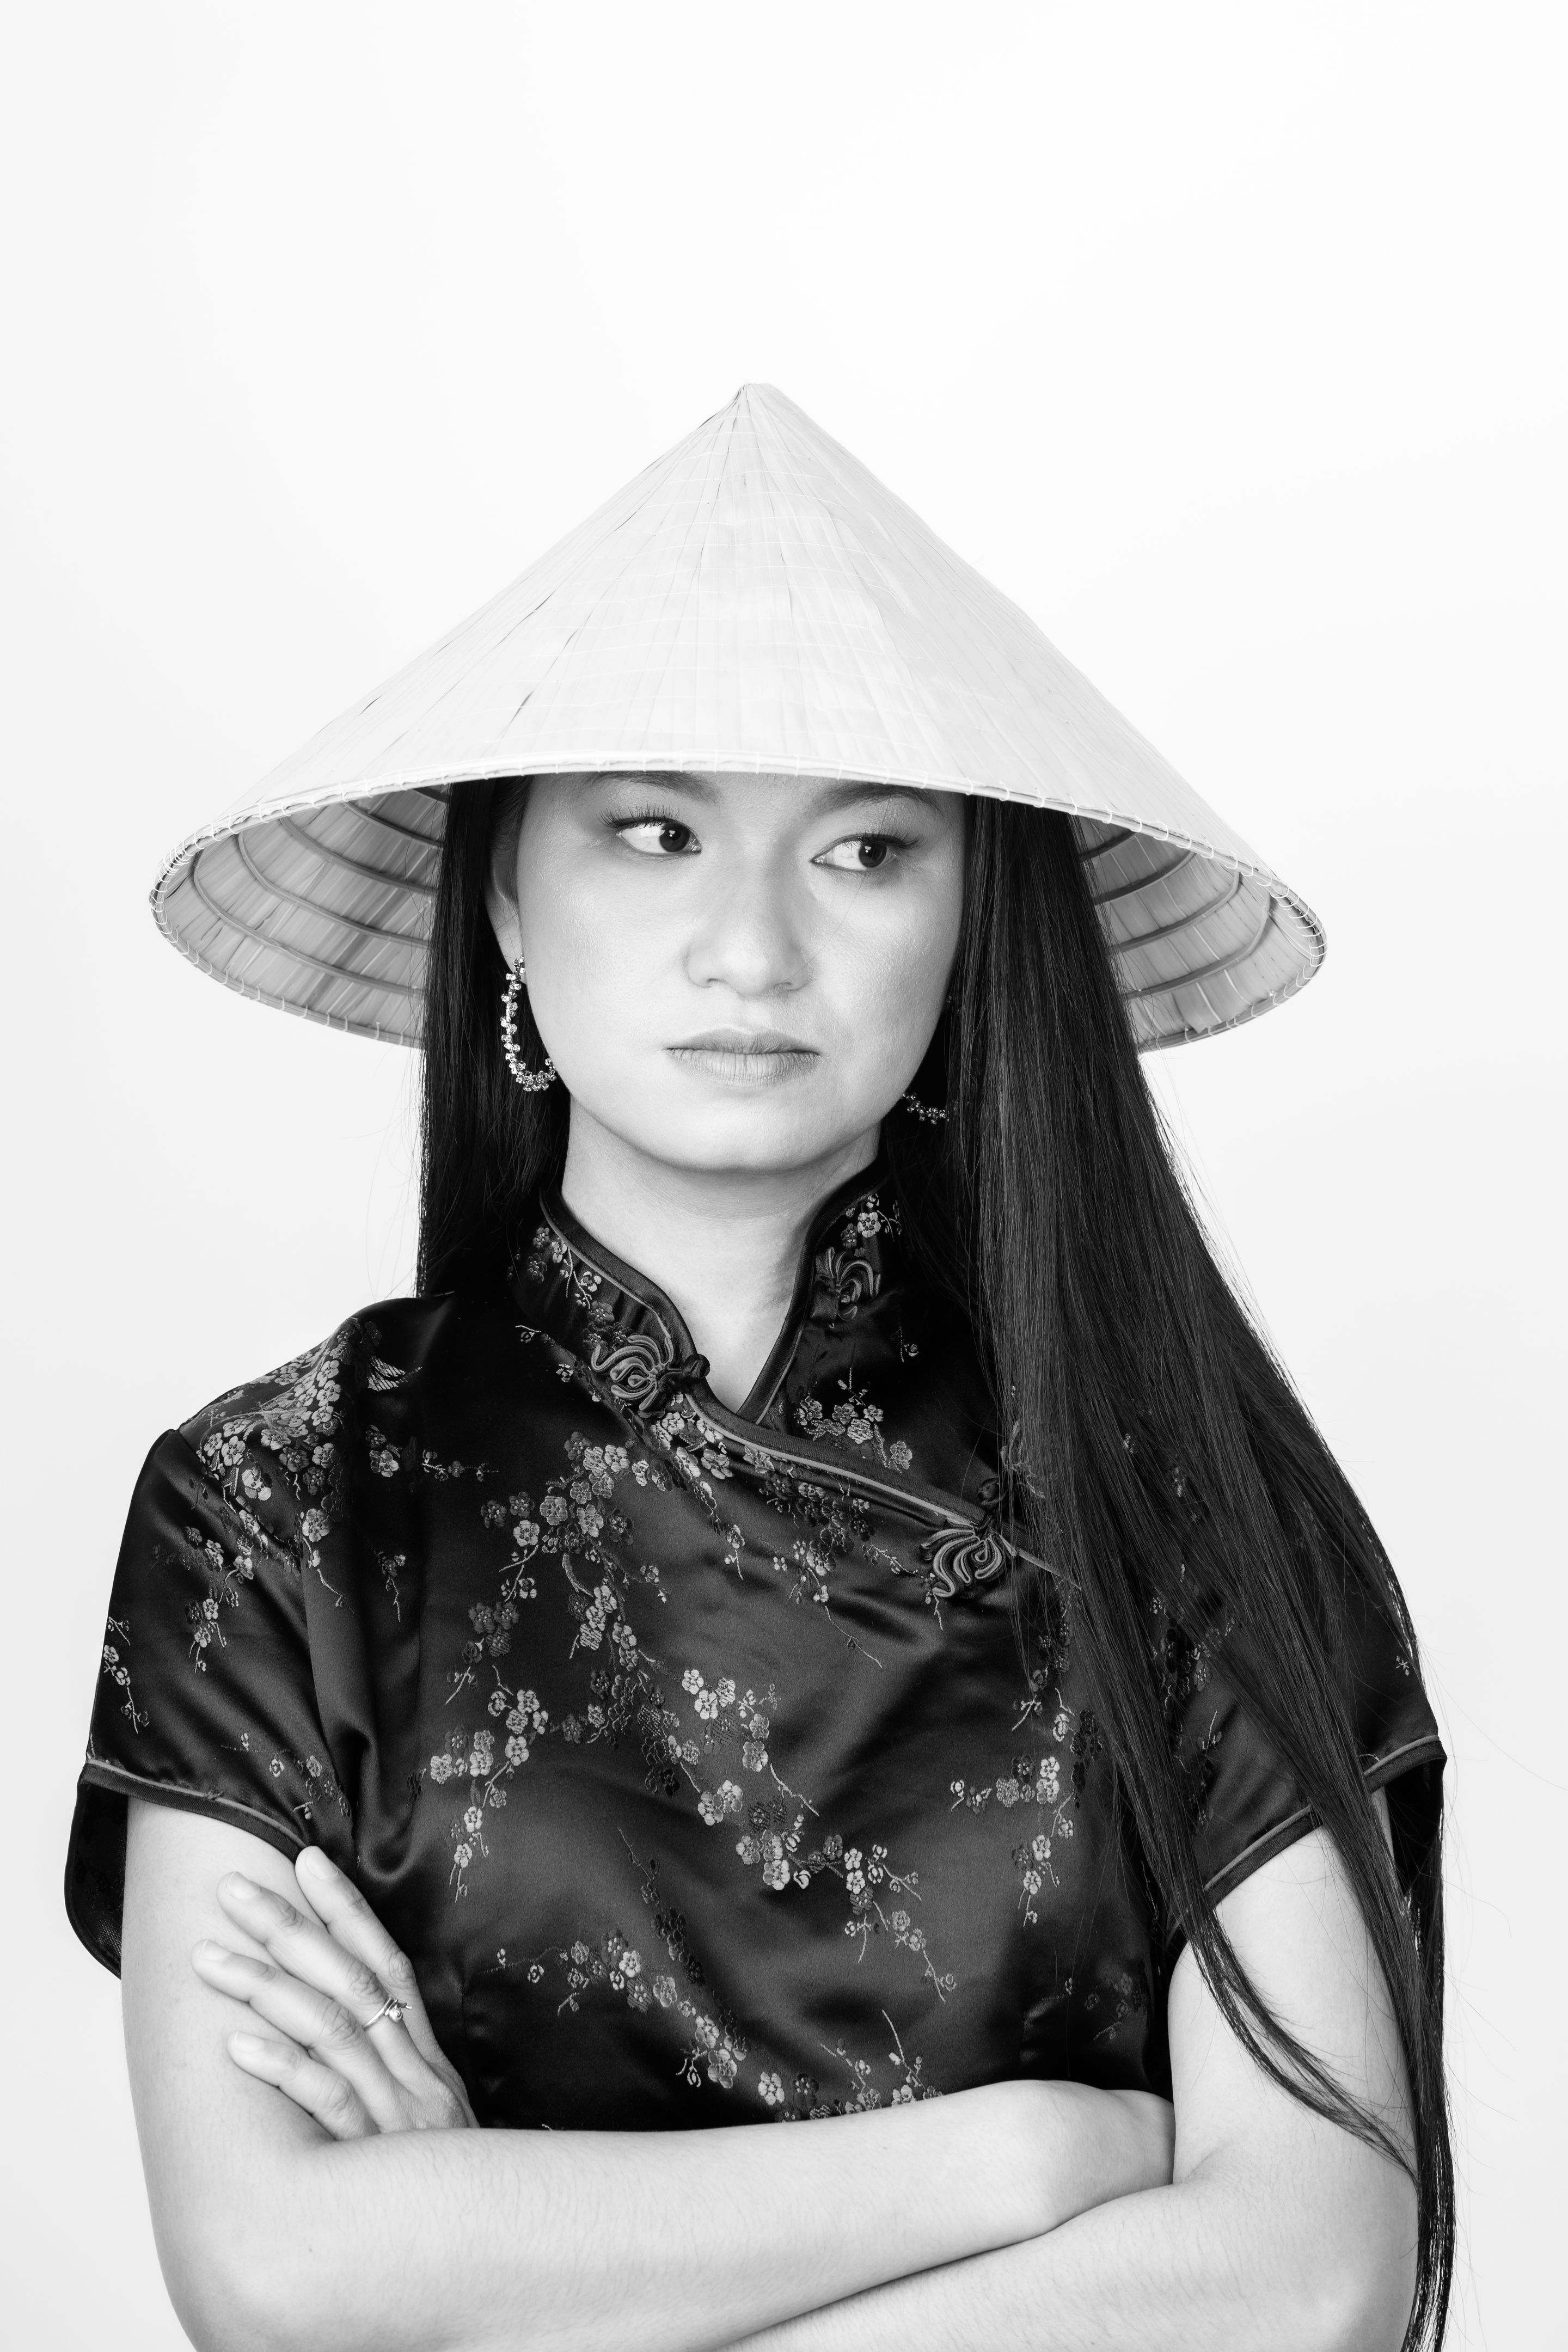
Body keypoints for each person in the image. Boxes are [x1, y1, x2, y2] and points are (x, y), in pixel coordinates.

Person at [68, 387, 1451, 2352]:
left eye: (868, 850)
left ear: (975, 930)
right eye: (652, 832)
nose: (750, 947)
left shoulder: (1190, 1501)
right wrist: (1042, 2160)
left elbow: (1309, 2279)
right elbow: (278, 2276)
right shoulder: (282, 1504)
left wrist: (514, 2264)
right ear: (506, 903)